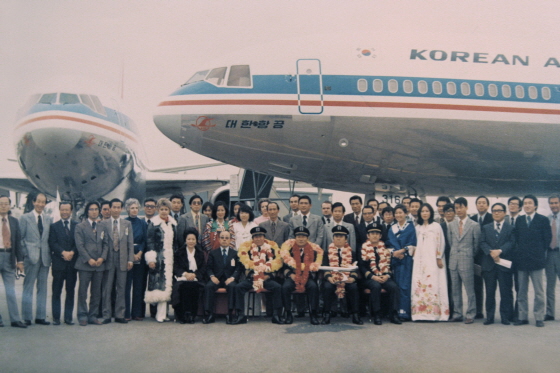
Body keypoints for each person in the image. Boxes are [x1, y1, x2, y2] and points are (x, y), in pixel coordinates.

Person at [513, 195, 551, 327]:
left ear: (535, 205)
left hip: (537, 261)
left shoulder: (543, 220)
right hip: (522, 261)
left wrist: (539, 253)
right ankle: (523, 317)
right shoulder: (519, 220)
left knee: (539, 292)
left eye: (530, 203)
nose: (527, 205)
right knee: (522, 291)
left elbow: (547, 239)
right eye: (525, 203)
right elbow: (516, 239)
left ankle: (539, 317)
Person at [233, 227, 284, 324]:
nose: (258, 239)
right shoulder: (246, 250)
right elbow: (245, 265)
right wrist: (253, 275)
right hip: (252, 278)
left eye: (260, 236)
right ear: (253, 238)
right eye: (255, 237)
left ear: (264, 237)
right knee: (239, 287)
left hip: (267, 278)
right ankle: (240, 315)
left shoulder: (272, 249)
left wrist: (268, 276)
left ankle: (276, 315)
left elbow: (276, 264)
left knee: (278, 287)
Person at [411, 204, 450, 321]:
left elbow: (441, 243)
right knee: (419, 282)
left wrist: (439, 257)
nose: (424, 213)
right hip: (419, 260)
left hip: (433, 259)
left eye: (427, 211)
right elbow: (414, 244)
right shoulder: (418, 228)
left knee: (433, 282)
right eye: (422, 211)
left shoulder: (436, 226)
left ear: (431, 213)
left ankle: (435, 313)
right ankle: (420, 313)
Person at [479, 203, 515, 325]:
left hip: (503, 266)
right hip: (489, 265)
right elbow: (482, 242)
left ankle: (505, 317)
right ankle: (489, 317)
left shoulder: (510, 228)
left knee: (505, 292)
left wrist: (499, 251)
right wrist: (491, 252)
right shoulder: (486, 227)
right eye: (494, 211)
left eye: (499, 211)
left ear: (505, 213)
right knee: (489, 293)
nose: (496, 213)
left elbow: (511, 243)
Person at [447, 197, 481, 324]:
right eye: (456, 208)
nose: (459, 210)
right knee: (455, 289)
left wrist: (468, 255)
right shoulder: (451, 225)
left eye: (461, 207)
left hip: (466, 261)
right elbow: (451, 243)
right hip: (453, 261)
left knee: (469, 290)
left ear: (466, 207)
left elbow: (476, 245)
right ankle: (457, 313)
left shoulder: (474, 225)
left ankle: (471, 313)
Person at [360, 222, 401, 325]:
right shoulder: (363, 248)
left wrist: (387, 276)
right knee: (376, 286)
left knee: (393, 287)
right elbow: (362, 267)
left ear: (380, 236)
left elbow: (390, 265)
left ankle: (393, 314)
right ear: (368, 235)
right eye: (372, 233)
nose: (374, 235)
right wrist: (373, 276)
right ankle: (377, 314)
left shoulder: (386, 248)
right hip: (370, 278)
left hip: (384, 275)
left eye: (377, 233)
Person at [100, 198, 134, 324]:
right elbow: (101, 242)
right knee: (107, 288)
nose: (116, 209)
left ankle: (120, 314)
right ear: (110, 208)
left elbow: (130, 242)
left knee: (121, 288)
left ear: (122, 209)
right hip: (108, 259)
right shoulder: (103, 224)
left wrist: (130, 259)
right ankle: (106, 314)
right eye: (113, 207)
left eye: (118, 207)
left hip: (123, 259)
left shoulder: (127, 224)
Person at [20, 192, 52, 325]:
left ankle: (40, 316)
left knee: (43, 288)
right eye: (38, 201)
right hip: (31, 257)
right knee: (28, 287)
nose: (40, 204)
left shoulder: (48, 219)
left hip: (44, 258)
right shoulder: (25, 218)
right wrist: (25, 254)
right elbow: (20, 238)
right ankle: (27, 316)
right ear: (33, 202)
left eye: (43, 202)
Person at [280, 226, 322, 325]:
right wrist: (290, 274)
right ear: (295, 238)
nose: (301, 239)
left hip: (308, 277)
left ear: (307, 238)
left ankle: (313, 314)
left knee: (313, 287)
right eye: (298, 236)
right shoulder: (288, 250)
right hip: (293, 276)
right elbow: (283, 266)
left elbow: (317, 266)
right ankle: (288, 313)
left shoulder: (314, 251)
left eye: (303, 236)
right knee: (285, 287)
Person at [74, 202, 107, 326]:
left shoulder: (102, 226)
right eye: (91, 209)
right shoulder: (80, 226)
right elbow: (80, 245)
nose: (94, 211)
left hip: (99, 265)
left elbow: (106, 244)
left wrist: (102, 258)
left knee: (96, 292)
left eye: (96, 209)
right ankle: (82, 315)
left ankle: (93, 315)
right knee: (83, 291)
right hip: (85, 265)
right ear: (87, 211)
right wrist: (89, 259)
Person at [322, 225, 362, 325]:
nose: (338, 238)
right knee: (327, 287)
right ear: (333, 238)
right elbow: (325, 267)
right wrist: (329, 277)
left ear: (346, 239)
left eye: (341, 236)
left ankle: (355, 314)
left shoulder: (352, 252)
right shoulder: (327, 252)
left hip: (347, 279)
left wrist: (352, 278)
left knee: (353, 287)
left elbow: (355, 267)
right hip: (332, 278)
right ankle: (326, 314)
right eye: (336, 236)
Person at [145, 198, 177, 323]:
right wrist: (151, 258)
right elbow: (150, 241)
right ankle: (158, 315)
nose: (164, 212)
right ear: (158, 210)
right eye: (162, 209)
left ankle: (165, 314)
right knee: (158, 285)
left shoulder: (172, 223)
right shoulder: (153, 223)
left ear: (169, 210)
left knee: (167, 285)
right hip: (158, 258)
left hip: (170, 258)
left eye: (166, 209)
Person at [48, 202, 78, 325]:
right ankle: (56, 317)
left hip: (72, 264)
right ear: (59, 211)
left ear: (71, 211)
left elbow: (79, 243)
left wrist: (72, 252)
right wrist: (63, 252)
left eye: (67, 210)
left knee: (70, 291)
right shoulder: (54, 226)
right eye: (62, 210)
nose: (64, 212)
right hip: (59, 264)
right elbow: (52, 243)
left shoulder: (77, 226)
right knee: (56, 291)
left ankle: (68, 317)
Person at [203, 230, 242, 324]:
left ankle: (230, 313)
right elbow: (208, 268)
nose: (224, 240)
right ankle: (210, 314)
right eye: (222, 238)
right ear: (219, 240)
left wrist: (232, 278)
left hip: (229, 278)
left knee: (233, 286)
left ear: (230, 240)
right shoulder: (213, 253)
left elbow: (239, 268)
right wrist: (212, 277)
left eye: (226, 238)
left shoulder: (235, 253)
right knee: (208, 286)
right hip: (216, 278)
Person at [0, 195, 27, 328]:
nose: (3, 206)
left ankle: (15, 319)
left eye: (6, 203)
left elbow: (18, 243)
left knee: (10, 290)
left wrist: (20, 261)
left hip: (9, 257)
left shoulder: (14, 222)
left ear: (9, 206)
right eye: (1, 204)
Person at [387, 204, 416, 321]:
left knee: (405, 285)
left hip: (406, 259)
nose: (398, 215)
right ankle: (395, 311)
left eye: (400, 212)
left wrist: (403, 250)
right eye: (396, 213)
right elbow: (389, 243)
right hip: (395, 259)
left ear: (405, 213)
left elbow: (413, 242)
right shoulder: (392, 228)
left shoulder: (411, 227)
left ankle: (405, 312)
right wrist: (394, 252)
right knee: (396, 286)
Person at [172, 228, 205, 324]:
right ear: (185, 240)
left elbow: (203, 268)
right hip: (183, 277)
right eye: (189, 239)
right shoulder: (179, 252)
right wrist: (186, 274)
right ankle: (182, 315)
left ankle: (191, 315)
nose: (191, 241)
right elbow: (176, 267)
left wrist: (194, 275)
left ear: (196, 240)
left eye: (193, 239)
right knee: (182, 287)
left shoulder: (200, 253)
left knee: (193, 287)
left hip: (195, 278)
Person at [124, 198, 148, 321]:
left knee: (138, 285)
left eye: (136, 208)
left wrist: (139, 252)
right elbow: (123, 240)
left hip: (140, 256)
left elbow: (145, 239)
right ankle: (126, 313)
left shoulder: (143, 223)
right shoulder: (124, 222)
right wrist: (130, 255)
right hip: (127, 257)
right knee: (127, 286)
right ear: (128, 209)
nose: (134, 210)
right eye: (132, 208)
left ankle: (137, 312)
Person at [471, 195, 493, 320]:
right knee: (476, 286)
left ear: (487, 205)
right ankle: (478, 311)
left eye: (484, 203)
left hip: (489, 257)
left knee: (490, 287)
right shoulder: (472, 219)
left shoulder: (492, 218)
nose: (481, 205)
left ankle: (490, 313)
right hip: (475, 258)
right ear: (476, 205)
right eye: (479, 202)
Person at [440, 203, 456, 317]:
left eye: (451, 211)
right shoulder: (440, 226)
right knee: (446, 284)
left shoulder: (458, 225)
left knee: (455, 286)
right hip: (443, 259)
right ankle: (447, 310)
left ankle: (456, 310)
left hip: (456, 259)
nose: (449, 213)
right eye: (447, 211)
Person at [546, 194, 560, 321]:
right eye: (551, 203)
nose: (554, 205)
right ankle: (550, 313)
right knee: (550, 286)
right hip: (550, 254)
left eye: (556, 203)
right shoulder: (548, 219)